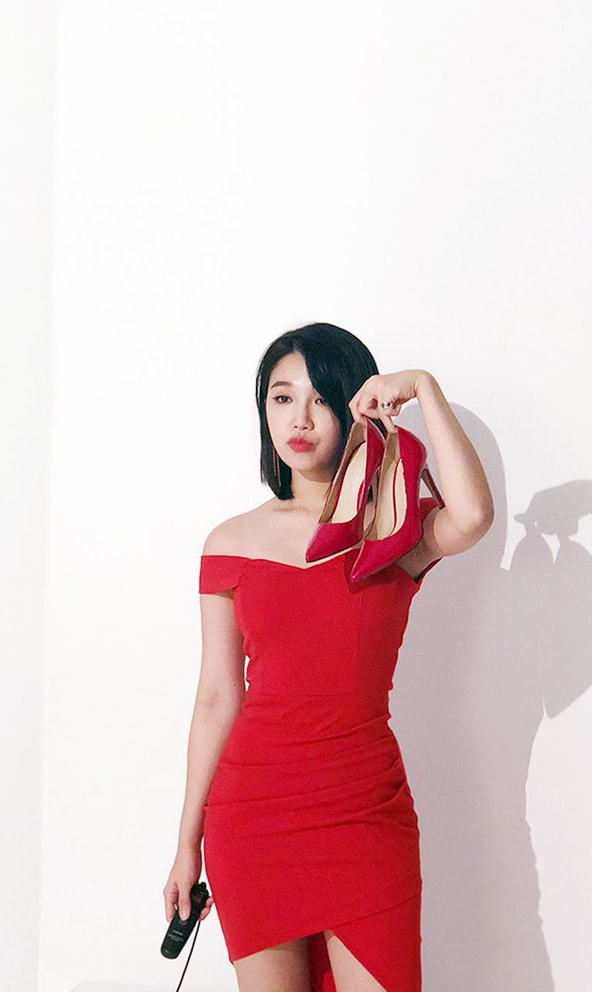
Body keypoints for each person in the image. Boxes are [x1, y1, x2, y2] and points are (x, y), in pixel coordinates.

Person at [162, 322, 494, 992]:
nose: (300, 418)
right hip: (252, 816)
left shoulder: (391, 531)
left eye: (320, 399)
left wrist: (423, 387)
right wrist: (185, 843)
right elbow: (218, 696)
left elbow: (473, 516)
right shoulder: (230, 541)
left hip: (363, 811)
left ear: (355, 407)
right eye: (282, 398)